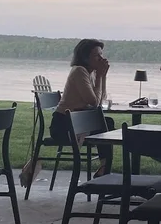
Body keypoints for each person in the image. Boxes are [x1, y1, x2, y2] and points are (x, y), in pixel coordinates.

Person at [49, 39, 114, 167]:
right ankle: (105, 167)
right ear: (85, 57)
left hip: (79, 122)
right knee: (106, 123)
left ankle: (104, 167)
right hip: (63, 125)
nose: (101, 58)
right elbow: (94, 102)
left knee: (107, 122)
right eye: (97, 55)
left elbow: (100, 102)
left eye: (102, 54)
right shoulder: (79, 71)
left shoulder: (92, 73)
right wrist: (100, 76)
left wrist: (103, 76)